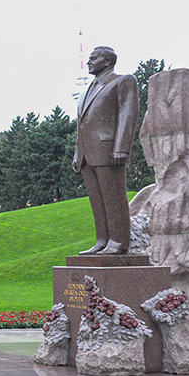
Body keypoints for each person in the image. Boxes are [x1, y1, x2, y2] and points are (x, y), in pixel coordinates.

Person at [73, 45, 140, 255]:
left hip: (108, 150)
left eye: (93, 58)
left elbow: (128, 114)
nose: (89, 62)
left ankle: (118, 242)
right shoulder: (88, 90)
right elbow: (82, 126)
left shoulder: (123, 81)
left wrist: (122, 148)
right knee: (97, 201)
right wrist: (77, 153)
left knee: (114, 199)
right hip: (87, 154)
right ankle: (102, 240)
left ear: (108, 61)